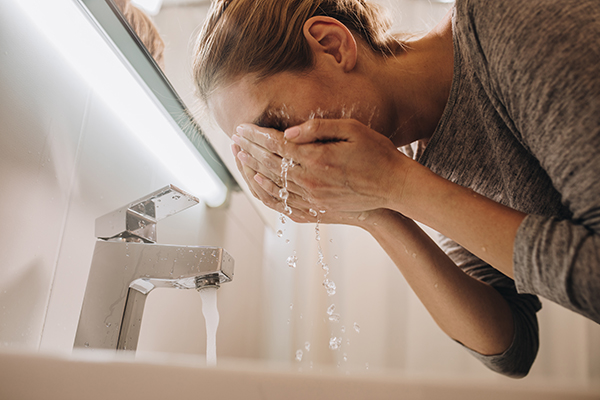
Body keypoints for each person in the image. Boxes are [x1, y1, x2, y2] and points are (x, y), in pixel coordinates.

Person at [192, 0, 600, 378]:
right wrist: (375, 212)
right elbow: (508, 344)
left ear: (332, 46)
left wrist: (397, 184)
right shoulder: (428, 153)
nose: (287, 160)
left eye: (277, 126)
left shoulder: (511, 22)